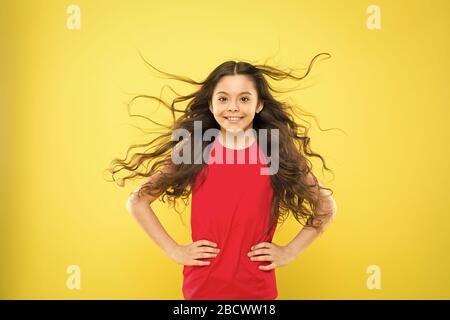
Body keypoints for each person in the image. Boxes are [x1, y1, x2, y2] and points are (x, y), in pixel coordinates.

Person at [109, 53, 338, 299]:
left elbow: (326, 205)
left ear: (259, 105)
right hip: (202, 289)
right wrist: (174, 250)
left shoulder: (274, 151)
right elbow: (138, 200)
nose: (233, 107)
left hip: (257, 291)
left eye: (244, 99)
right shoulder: (196, 150)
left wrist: (290, 251)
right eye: (223, 98)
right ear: (211, 104)